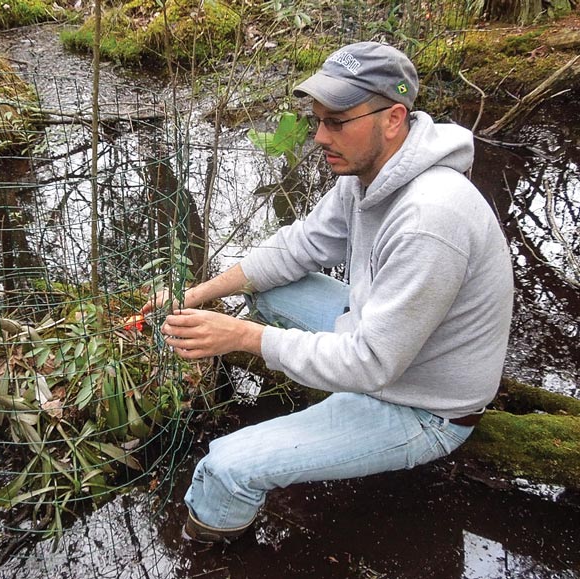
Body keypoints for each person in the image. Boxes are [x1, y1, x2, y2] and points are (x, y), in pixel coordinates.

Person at [141, 41, 514, 543]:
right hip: (387, 345)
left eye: (336, 121)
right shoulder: (367, 174)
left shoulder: (431, 219)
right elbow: (297, 247)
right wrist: (194, 295)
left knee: (226, 467)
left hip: (423, 403)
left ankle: (206, 543)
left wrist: (243, 338)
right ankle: (317, 409)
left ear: (393, 118)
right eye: (318, 120)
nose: (319, 136)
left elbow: (371, 364)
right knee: (274, 289)